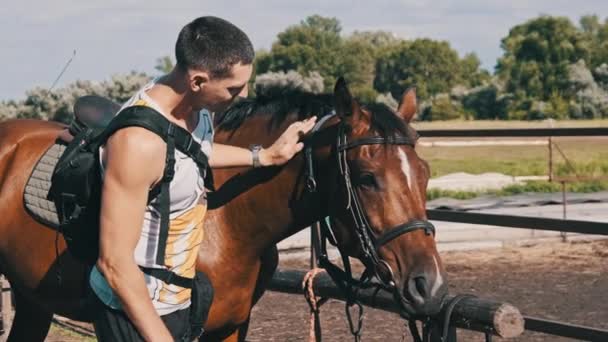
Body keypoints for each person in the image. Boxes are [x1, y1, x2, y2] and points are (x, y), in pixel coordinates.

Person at [89, 16, 317, 341]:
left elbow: (194, 151)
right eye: (234, 88)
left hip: (178, 301)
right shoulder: (137, 144)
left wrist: (264, 156)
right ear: (197, 81)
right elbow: (114, 264)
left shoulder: (193, 108)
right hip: (136, 312)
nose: (242, 94)